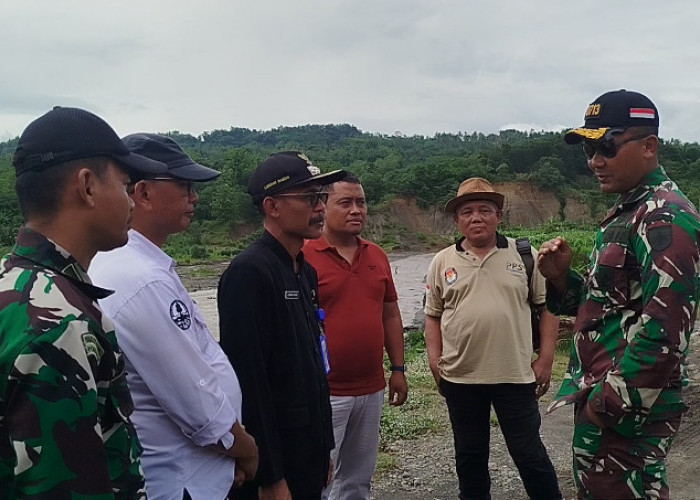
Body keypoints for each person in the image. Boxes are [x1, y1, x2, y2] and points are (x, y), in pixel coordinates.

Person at [538, 89, 700, 500]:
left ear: (649, 146)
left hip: (626, 411)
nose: (595, 160)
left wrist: (606, 405)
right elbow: (610, 309)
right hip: (613, 403)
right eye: (590, 149)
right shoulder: (630, 211)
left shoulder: (664, 215)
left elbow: (666, 329)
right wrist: (562, 281)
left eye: (607, 146)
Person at [0, 107, 168, 498]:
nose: (131, 202)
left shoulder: (14, 283)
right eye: (126, 186)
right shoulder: (62, 322)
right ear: (87, 186)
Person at [89, 133, 258, 500]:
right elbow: (197, 404)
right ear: (143, 193)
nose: (194, 196)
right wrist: (246, 451)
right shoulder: (139, 279)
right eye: (183, 185)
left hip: (195, 472)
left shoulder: (143, 267)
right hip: (179, 480)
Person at [424, 177, 562, 500]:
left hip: (514, 375)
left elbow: (549, 308)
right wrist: (434, 359)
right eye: (467, 211)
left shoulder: (524, 256)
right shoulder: (442, 261)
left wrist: (546, 359)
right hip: (460, 377)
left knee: (529, 454)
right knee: (470, 458)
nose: (476, 218)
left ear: (499, 216)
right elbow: (432, 315)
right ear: (457, 219)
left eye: (485, 210)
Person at [218, 151, 345, 500]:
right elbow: (249, 380)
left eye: (321, 197)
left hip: (308, 449)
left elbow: (313, 368)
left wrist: (325, 449)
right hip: (277, 458)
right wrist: (270, 475)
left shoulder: (305, 271)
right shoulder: (250, 273)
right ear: (272, 207)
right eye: (308, 198)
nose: (320, 208)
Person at [303, 174, 408, 500]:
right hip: (325, 392)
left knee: (359, 480)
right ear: (322, 207)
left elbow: (390, 313)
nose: (356, 210)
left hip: (371, 388)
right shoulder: (304, 256)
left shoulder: (376, 255)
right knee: (320, 478)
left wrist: (399, 369)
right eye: (345, 203)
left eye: (360, 202)